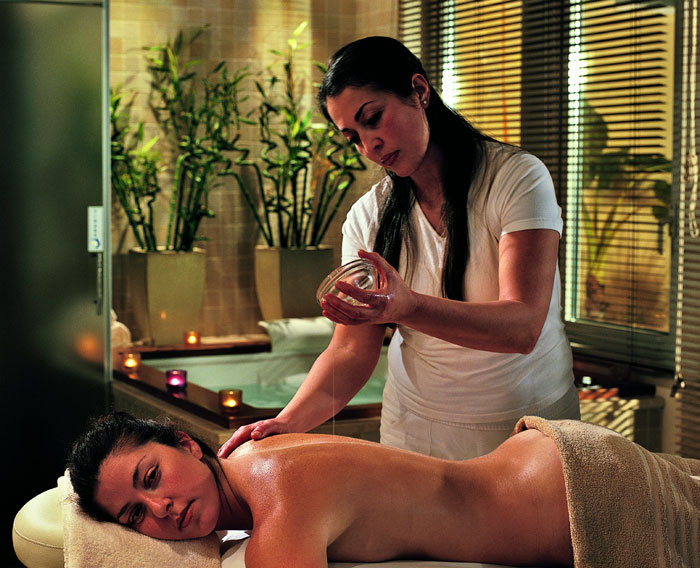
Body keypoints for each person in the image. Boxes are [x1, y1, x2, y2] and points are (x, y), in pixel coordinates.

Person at [218, 36, 579, 462]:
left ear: (419, 91)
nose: (368, 145)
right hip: (416, 433)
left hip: (529, 431)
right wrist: (286, 422)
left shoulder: (516, 179)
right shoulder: (368, 217)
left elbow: (522, 327)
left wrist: (407, 307)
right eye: (352, 136)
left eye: (373, 118)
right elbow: (350, 350)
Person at [68, 411, 574, 567]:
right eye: (135, 516)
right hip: (537, 462)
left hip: (568, 495)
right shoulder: (253, 459)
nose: (160, 508)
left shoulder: (276, 495)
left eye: (151, 477)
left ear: (186, 444)